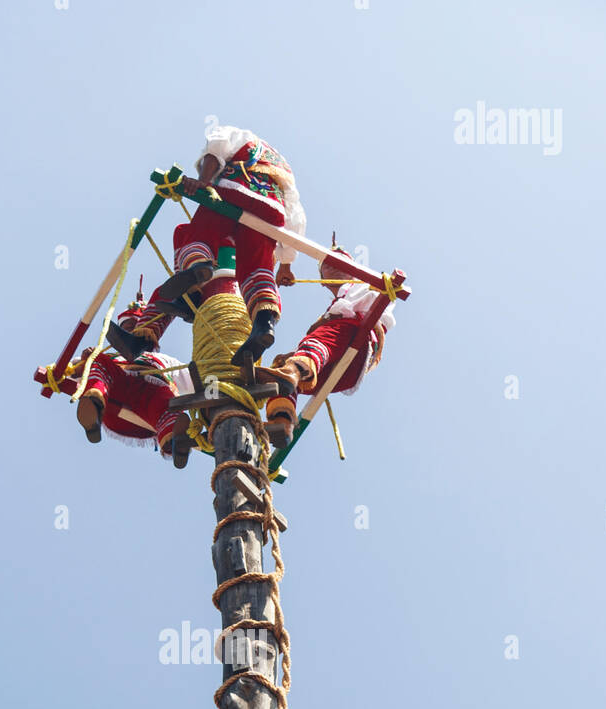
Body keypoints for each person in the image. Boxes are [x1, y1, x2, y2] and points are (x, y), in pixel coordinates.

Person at [109, 125, 306, 365]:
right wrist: (286, 263)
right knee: (255, 268)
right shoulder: (283, 166)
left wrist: (203, 182)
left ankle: (195, 274)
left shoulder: (240, 135)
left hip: (234, 193)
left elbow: (215, 151)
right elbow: (295, 213)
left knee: (191, 233)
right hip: (271, 213)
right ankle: (264, 325)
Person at [260, 245, 396, 446]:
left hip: (355, 344)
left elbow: (372, 307)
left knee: (318, 341)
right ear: (322, 280)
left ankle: (295, 369)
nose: (332, 263)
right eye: (326, 263)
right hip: (341, 373)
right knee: (283, 372)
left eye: (340, 260)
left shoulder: (362, 286)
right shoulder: (339, 305)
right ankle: (282, 422)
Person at [68, 299, 193, 461]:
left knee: (168, 404)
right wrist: (85, 358)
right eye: (127, 327)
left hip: (150, 404)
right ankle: (94, 403)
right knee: (98, 362)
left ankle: (175, 440)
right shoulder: (110, 356)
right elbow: (71, 370)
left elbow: (193, 379)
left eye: (135, 325)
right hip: (115, 397)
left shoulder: (164, 360)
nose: (132, 329)